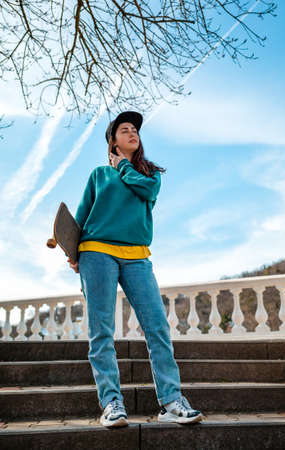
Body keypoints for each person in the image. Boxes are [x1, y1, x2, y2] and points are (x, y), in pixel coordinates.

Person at [68, 111, 205, 428]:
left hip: (137, 255)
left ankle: (171, 401)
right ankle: (111, 403)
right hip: (96, 251)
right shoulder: (99, 175)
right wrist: (72, 253)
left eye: (135, 130)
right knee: (101, 331)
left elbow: (147, 191)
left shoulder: (150, 173)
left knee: (157, 326)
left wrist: (125, 166)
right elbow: (79, 216)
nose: (131, 132)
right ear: (112, 141)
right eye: (124, 129)